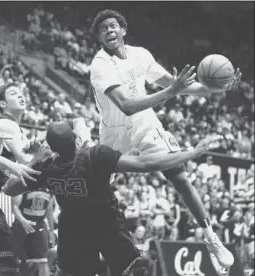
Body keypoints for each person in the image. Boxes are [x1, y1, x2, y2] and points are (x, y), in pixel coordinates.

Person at [90, 9, 241, 268]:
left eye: (113, 25)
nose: (109, 30)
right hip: (113, 133)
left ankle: (211, 238)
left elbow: (175, 85)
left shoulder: (141, 55)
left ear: (123, 30)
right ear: (100, 39)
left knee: (179, 176)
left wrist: (214, 89)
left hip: (146, 124)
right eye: (103, 29)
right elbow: (126, 105)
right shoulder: (100, 64)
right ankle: (91, 250)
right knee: (96, 192)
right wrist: (172, 91)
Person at [3, 119, 223, 276]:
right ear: (77, 139)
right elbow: (147, 164)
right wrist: (192, 153)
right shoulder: (95, 155)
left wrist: (33, 162)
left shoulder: (46, 168)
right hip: (106, 223)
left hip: (73, 231)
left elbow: (8, 189)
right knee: (135, 267)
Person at [0, 82, 43, 275]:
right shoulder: (5, 123)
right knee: (6, 261)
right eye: (13, 93)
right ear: (3, 104)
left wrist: (37, 157)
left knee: (5, 260)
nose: (20, 95)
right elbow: (22, 161)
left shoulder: (17, 131)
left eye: (21, 92)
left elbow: (25, 169)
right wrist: (37, 156)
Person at [11, 188, 54, 276]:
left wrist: (51, 232)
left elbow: (49, 211)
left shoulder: (50, 187)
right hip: (22, 226)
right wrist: (24, 221)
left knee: (43, 261)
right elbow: (14, 207)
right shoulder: (22, 184)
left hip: (39, 226)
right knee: (20, 262)